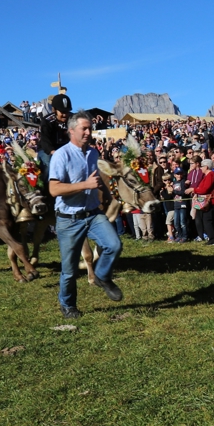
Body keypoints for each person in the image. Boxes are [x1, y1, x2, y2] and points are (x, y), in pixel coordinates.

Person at [48, 111, 123, 318]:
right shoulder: (61, 155)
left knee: (114, 245)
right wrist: (85, 185)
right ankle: (68, 305)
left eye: (90, 128)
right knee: (70, 270)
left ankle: (102, 275)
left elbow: (96, 179)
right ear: (71, 131)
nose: (89, 132)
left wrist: (108, 194)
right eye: (84, 128)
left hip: (93, 214)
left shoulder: (93, 153)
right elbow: (54, 190)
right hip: (68, 219)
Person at [38, 93, 71, 168]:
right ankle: (47, 179)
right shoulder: (47, 121)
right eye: (62, 112)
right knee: (49, 164)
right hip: (48, 150)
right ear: (54, 110)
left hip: (66, 149)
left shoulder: (74, 119)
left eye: (67, 112)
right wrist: (54, 152)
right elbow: (45, 140)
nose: (65, 115)